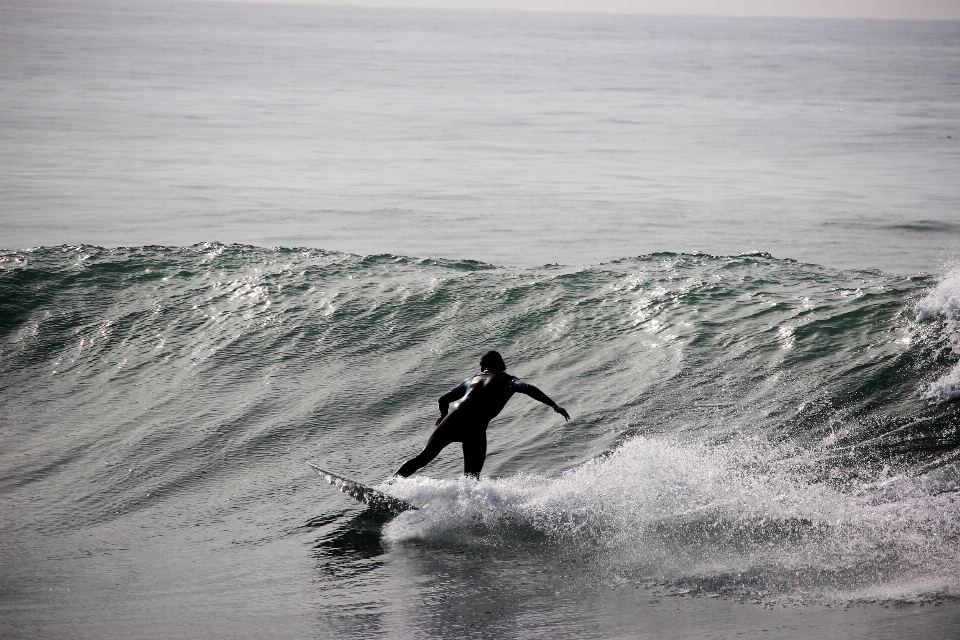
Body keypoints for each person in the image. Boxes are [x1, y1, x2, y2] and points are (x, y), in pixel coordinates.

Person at [395, 350, 570, 479]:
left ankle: (390, 484)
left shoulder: (471, 380)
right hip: (476, 429)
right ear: (500, 364)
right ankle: (468, 512)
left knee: (422, 458)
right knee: (472, 477)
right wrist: (554, 405)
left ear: (484, 366)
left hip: (454, 420)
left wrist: (443, 415)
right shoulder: (508, 380)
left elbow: (443, 400)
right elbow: (527, 388)